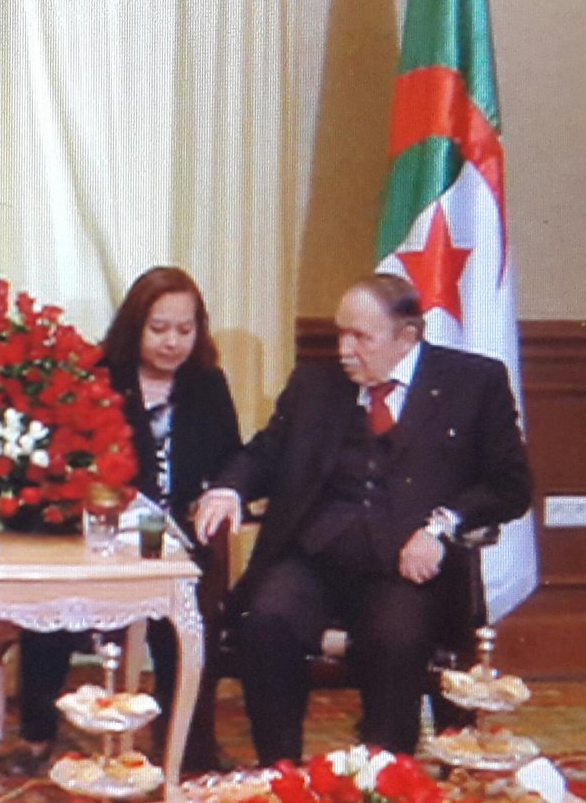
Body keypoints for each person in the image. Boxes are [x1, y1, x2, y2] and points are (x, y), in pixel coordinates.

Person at [194, 273, 531, 765]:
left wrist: (442, 527)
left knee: (395, 640)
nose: (344, 350)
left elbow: (510, 486)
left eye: (360, 337)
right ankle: (281, 772)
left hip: (403, 569)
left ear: (406, 338)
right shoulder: (314, 384)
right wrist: (229, 488)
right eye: (340, 333)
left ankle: (385, 775)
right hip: (313, 560)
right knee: (266, 622)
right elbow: (266, 452)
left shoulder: (473, 383)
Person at [11, 266, 242, 773]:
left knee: (196, 603)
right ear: (135, 325)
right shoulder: (97, 374)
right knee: (53, 597)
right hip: (97, 530)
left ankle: (187, 742)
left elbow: (231, 457)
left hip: (174, 535)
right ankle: (37, 734)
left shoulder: (207, 384)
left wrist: (220, 492)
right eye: (159, 328)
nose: (172, 342)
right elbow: (62, 460)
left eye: (185, 330)